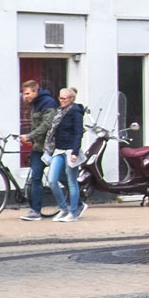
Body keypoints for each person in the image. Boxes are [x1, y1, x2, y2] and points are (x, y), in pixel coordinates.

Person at [20, 80, 59, 221]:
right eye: (24, 94)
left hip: (49, 148)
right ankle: (35, 211)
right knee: (36, 178)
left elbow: (47, 125)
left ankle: (76, 203)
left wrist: (30, 136)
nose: (26, 97)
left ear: (35, 92)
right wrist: (32, 139)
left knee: (61, 178)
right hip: (38, 147)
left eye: (28, 93)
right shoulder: (35, 104)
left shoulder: (47, 103)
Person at [48, 88, 85, 222]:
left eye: (64, 98)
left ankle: (73, 212)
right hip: (59, 149)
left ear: (71, 99)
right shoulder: (60, 111)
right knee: (52, 180)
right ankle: (63, 208)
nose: (61, 101)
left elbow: (78, 132)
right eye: (60, 98)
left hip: (70, 150)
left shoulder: (75, 111)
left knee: (71, 181)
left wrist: (75, 152)